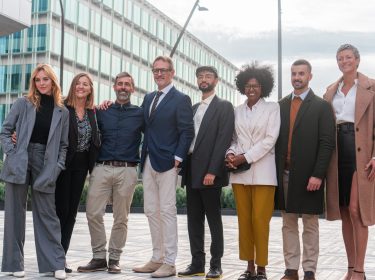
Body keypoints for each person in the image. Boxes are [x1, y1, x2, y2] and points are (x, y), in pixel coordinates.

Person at [0, 63, 69, 279]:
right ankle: (14, 264)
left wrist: (58, 167)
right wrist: (12, 152)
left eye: (45, 79)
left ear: (53, 81)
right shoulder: (23, 103)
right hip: (20, 158)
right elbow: (5, 130)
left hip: (46, 162)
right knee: (14, 213)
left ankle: (56, 264)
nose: (41, 83)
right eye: (37, 80)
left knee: (48, 214)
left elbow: (64, 145)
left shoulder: (62, 111)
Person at [132, 56, 194, 278]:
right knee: (150, 210)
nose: (159, 74)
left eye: (163, 70)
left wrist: (178, 157)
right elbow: (140, 124)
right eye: (155, 70)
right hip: (148, 159)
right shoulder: (148, 98)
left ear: (172, 73)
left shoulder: (181, 99)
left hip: (168, 162)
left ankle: (170, 262)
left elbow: (187, 131)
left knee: (167, 211)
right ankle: (157, 258)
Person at [275, 59, 335, 280]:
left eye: (301, 73)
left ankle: (309, 270)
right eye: (293, 73)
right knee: (288, 223)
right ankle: (291, 270)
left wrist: (318, 175)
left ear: (310, 76)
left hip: (310, 177)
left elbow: (327, 143)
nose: (296, 77)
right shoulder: (280, 105)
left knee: (310, 224)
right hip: (285, 174)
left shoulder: (321, 106)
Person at [77, 72, 143, 274]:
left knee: (121, 217)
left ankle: (114, 258)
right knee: (93, 212)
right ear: (114, 87)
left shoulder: (140, 114)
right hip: (101, 168)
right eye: (120, 84)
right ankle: (98, 257)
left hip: (128, 170)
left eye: (127, 84)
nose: (123, 87)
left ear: (132, 89)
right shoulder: (101, 111)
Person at [177, 66, 234, 279]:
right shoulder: (193, 108)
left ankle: (215, 264)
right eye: (200, 76)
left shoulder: (224, 107)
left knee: (213, 220)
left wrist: (213, 170)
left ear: (216, 80)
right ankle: (196, 263)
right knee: (193, 220)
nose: (203, 79)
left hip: (210, 171)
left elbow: (223, 140)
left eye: (208, 76)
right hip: (191, 168)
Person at [324, 44, 375, 280]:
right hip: (337, 153)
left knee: (356, 210)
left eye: (348, 57)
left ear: (357, 60)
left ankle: (361, 270)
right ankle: (350, 268)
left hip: (361, 152)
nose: (344, 61)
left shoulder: (371, 87)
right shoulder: (330, 91)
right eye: (340, 58)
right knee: (344, 211)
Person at [225, 63, 280, 280]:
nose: (251, 89)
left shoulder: (272, 109)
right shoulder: (237, 111)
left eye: (256, 86)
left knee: (260, 220)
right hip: (240, 175)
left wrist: (244, 157)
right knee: (244, 221)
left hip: (264, 174)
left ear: (263, 87)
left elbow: (270, 140)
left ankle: (262, 267)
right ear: (242, 87)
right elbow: (234, 139)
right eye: (247, 85)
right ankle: (248, 266)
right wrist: (230, 154)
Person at [55, 73, 101, 273]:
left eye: (85, 84)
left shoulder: (92, 112)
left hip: (82, 167)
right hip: (63, 166)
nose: (81, 87)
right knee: (60, 211)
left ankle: (61, 257)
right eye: (78, 84)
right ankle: (54, 257)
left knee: (72, 213)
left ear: (90, 89)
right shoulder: (63, 107)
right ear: (73, 86)